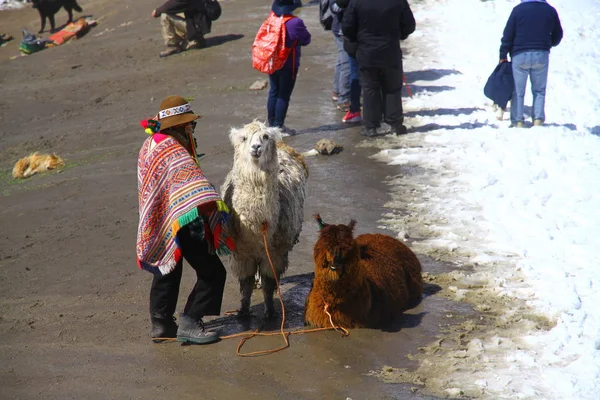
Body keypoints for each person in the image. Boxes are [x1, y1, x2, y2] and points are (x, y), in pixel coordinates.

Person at [137, 95, 235, 344]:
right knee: (212, 272)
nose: (192, 129)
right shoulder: (172, 149)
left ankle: (161, 323)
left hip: (162, 219)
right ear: (178, 126)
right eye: (189, 125)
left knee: (167, 267)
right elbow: (194, 186)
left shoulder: (152, 144)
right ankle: (190, 322)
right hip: (183, 220)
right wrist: (215, 204)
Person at [342, 0, 415, 137]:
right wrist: (399, 35)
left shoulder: (357, 2)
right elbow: (409, 25)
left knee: (370, 88)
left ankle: (370, 126)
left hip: (367, 51)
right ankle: (395, 124)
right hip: (390, 49)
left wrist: (357, 39)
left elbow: (347, 26)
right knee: (392, 87)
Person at [499, 0, 563, 128]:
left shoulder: (518, 10)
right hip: (541, 54)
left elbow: (508, 34)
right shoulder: (550, 10)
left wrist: (503, 54)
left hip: (520, 54)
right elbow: (558, 34)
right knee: (539, 90)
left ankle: (518, 121)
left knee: (518, 90)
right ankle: (538, 119)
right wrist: (547, 44)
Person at [266, 0, 311, 134]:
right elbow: (306, 40)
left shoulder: (271, 18)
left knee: (273, 91)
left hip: (272, 61)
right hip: (288, 64)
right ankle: (278, 127)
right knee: (283, 95)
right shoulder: (295, 22)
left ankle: (271, 125)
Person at [331, 0, 362, 123]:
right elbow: (334, 7)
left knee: (342, 61)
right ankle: (344, 99)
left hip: (345, 29)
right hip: (343, 30)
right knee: (348, 66)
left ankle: (337, 91)